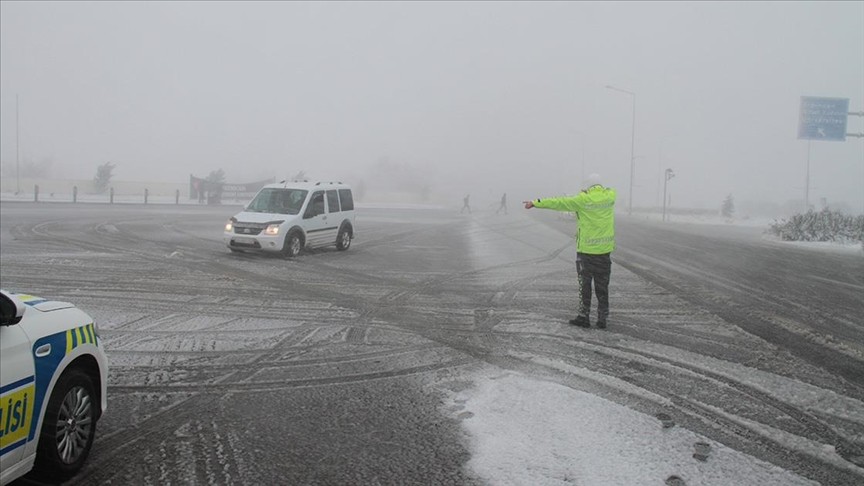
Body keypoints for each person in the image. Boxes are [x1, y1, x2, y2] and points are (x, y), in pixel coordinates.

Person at [523, 173, 616, 329]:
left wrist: (535, 203)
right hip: (604, 252)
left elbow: (559, 202)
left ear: (586, 188)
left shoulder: (582, 200)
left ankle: (584, 316)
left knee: (584, 286)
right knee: (602, 286)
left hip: (586, 252)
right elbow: (609, 189)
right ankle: (602, 319)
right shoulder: (610, 197)